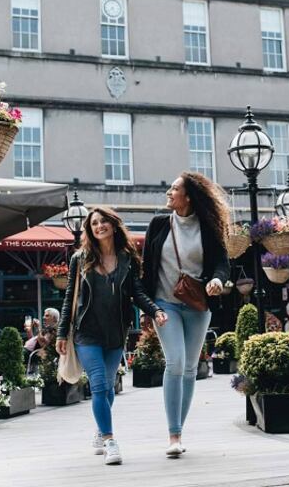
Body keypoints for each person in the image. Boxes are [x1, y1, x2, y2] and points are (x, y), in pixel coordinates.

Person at [57, 207, 168, 465]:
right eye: (94, 223)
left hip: (116, 332)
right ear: (89, 230)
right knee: (97, 384)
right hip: (87, 333)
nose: (99, 226)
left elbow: (137, 292)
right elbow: (69, 297)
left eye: (103, 221)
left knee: (107, 388)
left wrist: (155, 310)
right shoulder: (80, 258)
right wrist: (62, 332)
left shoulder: (128, 258)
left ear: (113, 225)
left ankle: (99, 428)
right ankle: (110, 441)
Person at [141, 172, 231, 458]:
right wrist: (147, 310)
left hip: (197, 305)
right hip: (164, 304)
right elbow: (146, 270)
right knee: (176, 363)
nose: (168, 192)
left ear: (188, 196)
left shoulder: (208, 226)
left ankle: (180, 426)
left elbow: (221, 264)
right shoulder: (158, 224)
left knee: (191, 368)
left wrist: (217, 280)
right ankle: (173, 434)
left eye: (174, 188)